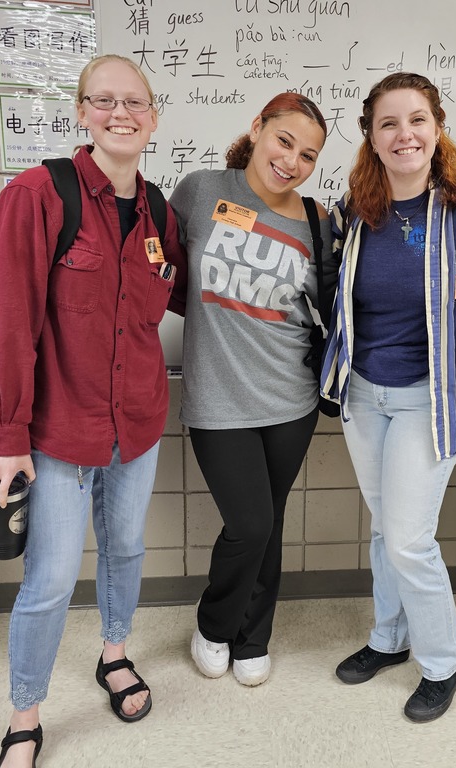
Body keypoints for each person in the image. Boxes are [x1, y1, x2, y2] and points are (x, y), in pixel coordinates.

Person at [0, 54, 186, 768]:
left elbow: (181, 295)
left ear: (153, 117)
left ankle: (114, 656)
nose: (120, 114)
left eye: (135, 103)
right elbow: (6, 321)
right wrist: (6, 437)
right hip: (58, 431)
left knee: (125, 548)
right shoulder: (37, 196)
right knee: (51, 579)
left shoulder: (160, 212)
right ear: (81, 112)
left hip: (139, 422)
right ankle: (24, 715)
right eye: (104, 101)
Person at [321, 72, 456, 723]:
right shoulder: (352, 214)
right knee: (386, 529)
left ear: (438, 127)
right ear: (371, 136)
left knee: (408, 538)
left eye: (417, 119)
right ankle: (389, 636)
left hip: (431, 398)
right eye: (389, 123)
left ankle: (443, 662)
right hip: (364, 395)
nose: (405, 134)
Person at [169, 93, 333, 687]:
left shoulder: (316, 220)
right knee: (251, 523)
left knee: (270, 520)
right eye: (284, 141)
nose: (292, 161)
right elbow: (164, 274)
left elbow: (326, 304)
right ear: (258, 128)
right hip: (217, 397)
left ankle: (253, 637)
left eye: (308, 155)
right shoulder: (201, 191)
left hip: (290, 398)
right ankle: (214, 625)